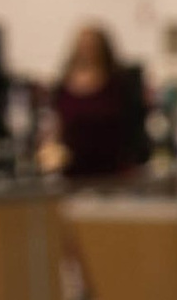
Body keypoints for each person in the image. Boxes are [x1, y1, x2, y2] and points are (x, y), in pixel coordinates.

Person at [47, 22, 150, 183]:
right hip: (74, 171)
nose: (87, 50)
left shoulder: (120, 83)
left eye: (92, 45)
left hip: (114, 170)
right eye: (83, 45)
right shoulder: (63, 84)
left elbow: (134, 124)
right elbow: (56, 123)